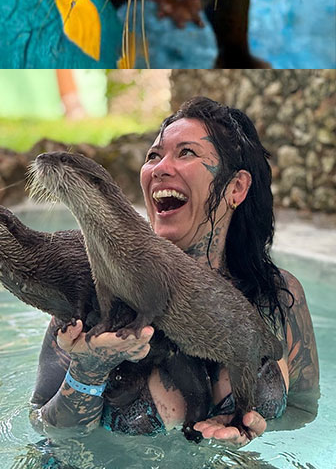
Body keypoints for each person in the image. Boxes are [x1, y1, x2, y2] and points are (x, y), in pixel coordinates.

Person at [30, 97, 319, 446]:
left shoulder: (279, 295)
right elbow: (43, 427)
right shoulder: (91, 290)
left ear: (236, 188)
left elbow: (304, 412)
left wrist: (254, 429)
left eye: (186, 153)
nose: (160, 168)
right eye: (153, 156)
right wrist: (87, 371)